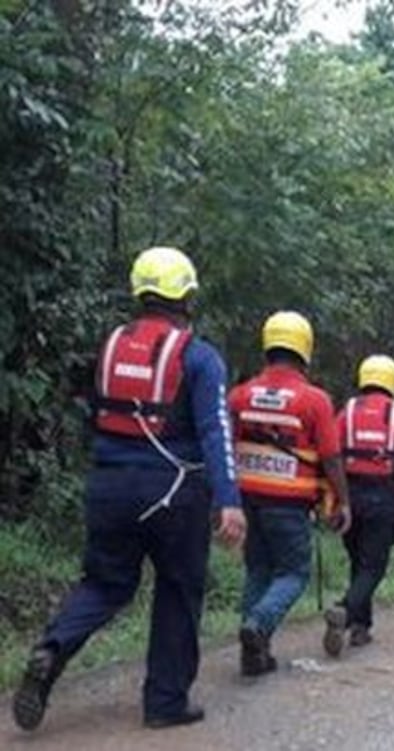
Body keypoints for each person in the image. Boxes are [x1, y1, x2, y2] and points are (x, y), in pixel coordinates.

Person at [12, 247, 245, 732]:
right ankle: (164, 701)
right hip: (174, 492)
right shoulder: (198, 356)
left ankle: (52, 649)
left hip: (109, 484)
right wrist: (229, 500)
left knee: (104, 583)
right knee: (179, 590)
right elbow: (215, 430)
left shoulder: (111, 345)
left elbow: (89, 415)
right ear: (187, 295)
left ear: (140, 292)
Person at [229, 311, 351, 675]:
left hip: (248, 499)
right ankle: (258, 625)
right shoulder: (314, 400)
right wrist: (342, 500)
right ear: (305, 349)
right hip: (289, 504)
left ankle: (254, 655)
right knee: (294, 574)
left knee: (258, 570)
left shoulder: (239, 395)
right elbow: (330, 457)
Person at [325, 355, 394, 652]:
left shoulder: (349, 410)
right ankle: (346, 609)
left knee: (359, 561)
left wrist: (328, 499)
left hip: (349, 495)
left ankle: (360, 628)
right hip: (383, 496)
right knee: (374, 566)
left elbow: (330, 451)